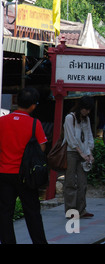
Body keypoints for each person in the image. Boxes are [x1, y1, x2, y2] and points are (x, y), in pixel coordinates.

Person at [0, 87, 48, 244]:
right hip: (25, 175)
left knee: (5, 212)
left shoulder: (2, 121)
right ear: (33, 106)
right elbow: (41, 148)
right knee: (32, 212)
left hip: (4, 173)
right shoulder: (35, 124)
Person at [63, 96, 95, 218]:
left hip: (84, 153)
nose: (87, 112)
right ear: (80, 107)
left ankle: (81, 210)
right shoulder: (70, 118)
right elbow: (70, 138)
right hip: (72, 152)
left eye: (89, 110)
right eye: (86, 109)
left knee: (83, 183)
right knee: (70, 181)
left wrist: (89, 153)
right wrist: (82, 152)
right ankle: (71, 211)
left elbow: (89, 136)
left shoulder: (85, 119)